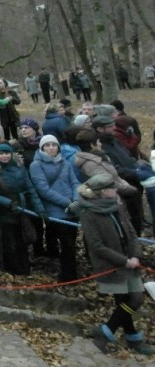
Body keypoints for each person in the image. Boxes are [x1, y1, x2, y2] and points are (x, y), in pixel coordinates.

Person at [73, 174, 154, 355]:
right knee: (131, 300)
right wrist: (123, 261)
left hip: (130, 261)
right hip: (112, 265)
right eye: (112, 187)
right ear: (103, 192)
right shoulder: (88, 213)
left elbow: (131, 233)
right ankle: (122, 335)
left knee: (132, 299)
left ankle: (112, 332)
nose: (116, 190)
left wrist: (135, 255)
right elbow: (96, 246)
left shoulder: (116, 205)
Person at [0, 143, 45, 276]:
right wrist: (8, 203)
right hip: (4, 212)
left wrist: (40, 209)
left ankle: (24, 269)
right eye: (1, 153)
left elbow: (30, 189)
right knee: (9, 244)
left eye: (7, 153)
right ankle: (12, 270)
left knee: (22, 242)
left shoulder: (20, 168)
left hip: (22, 210)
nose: (4, 156)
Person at [29, 134, 79, 282]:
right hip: (55, 211)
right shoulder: (36, 165)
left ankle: (68, 269)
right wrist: (66, 202)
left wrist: (76, 199)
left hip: (73, 209)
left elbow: (75, 182)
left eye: (54, 145)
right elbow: (43, 189)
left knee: (71, 243)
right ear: (42, 147)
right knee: (67, 243)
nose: (51, 148)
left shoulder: (65, 162)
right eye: (47, 145)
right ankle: (68, 276)